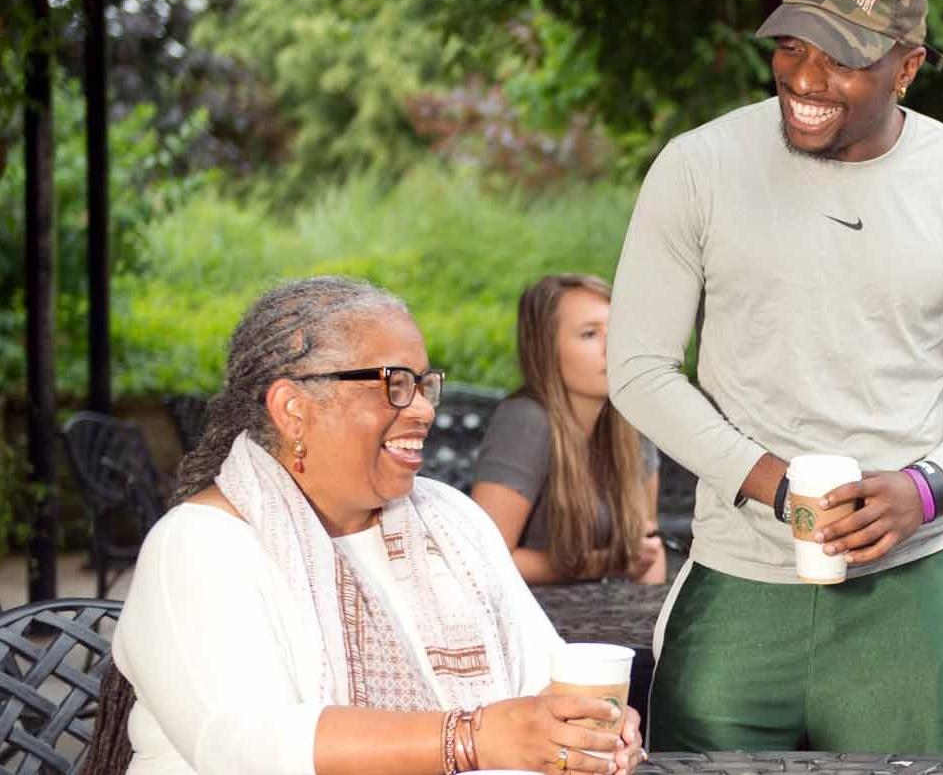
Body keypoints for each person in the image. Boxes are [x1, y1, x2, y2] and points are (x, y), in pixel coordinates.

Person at [607, 0, 943, 755]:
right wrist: (774, 486)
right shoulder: (696, 167)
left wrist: (924, 488)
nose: (804, 80)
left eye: (842, 60)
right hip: (738, 573)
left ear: (907, 67)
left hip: (913, 585)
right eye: (792, 46)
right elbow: (637, 369)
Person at [93, 276, 643, 775]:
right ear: (292, 408)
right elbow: (246, 746)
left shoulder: (452, 521)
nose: (424, 409)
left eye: (425, 384)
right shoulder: (199, 546)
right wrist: (472, 739)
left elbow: (540, 682)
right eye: (394, 382)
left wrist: (583, 725)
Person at [472, 273, 666, 586]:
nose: (612, 347)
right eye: (590, 334)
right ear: (547, 351)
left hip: (608, 619)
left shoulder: (632, 421)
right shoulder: (526, 422)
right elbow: (482, 559)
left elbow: (649, 548)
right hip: (532, 621)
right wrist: (600, 565)